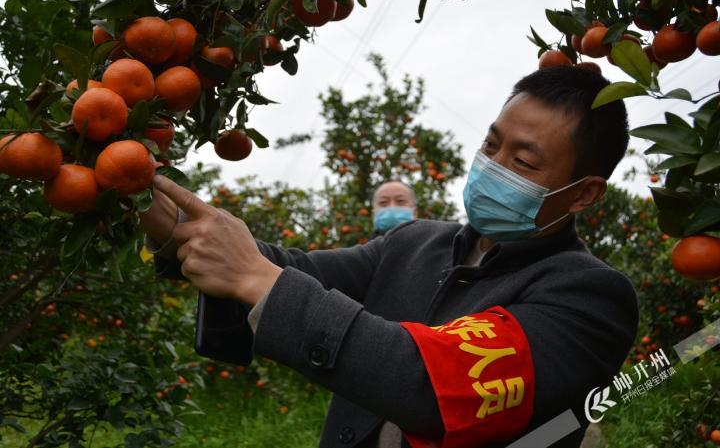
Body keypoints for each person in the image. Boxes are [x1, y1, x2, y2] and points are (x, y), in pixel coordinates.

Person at [140, 65, 638, 448]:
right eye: (491, 144)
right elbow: (296, 271)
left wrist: (258, 278)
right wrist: (174, 225)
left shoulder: (589, 299)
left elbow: (429, 385)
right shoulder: (414, 243)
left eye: (523, 161)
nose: (493, 166)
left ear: (584, 194)